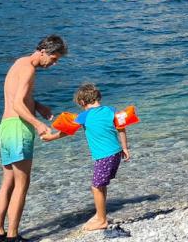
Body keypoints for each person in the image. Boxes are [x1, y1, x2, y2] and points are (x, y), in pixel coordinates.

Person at [0, 35, 66, 242]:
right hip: (18, 129)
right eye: (53, 58)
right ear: (43, 52)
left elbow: (18, 98)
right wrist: (38, 124)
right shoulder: (29, 69)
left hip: (5, 128)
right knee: (22, 184)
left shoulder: (19, 63)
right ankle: (13, 236)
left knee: (7, 183)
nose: (54, 63)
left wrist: (38, 105)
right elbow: (18, 105)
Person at [44, 83, 131, 232]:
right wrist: (124, 147)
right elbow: (121, 127)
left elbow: (67, 131)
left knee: (96, 187)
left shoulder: (84, 115)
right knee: (101, 185)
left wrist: (51, 137)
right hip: (116, 153)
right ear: (98, 98)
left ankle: (102, 220)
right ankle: (100, 214)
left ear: (83, 103)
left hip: (105, 156)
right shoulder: (111, 110)